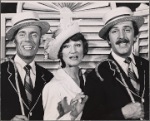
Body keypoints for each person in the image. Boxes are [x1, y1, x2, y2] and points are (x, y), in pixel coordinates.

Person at [81, 6, 149, 120]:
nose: (121, 36)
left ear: (135, 36)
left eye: (127, 30)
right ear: (108, 39)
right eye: (115, 31)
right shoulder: (96, 77)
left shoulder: (147, 66)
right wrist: (122, 114)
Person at [1, 11, 53, 120]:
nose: (28, 40)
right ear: (14, 40)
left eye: (34, 35)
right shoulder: (1, 72)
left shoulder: (48, 78)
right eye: (22, 34)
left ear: (40, 41)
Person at [42, 21, 88, 120]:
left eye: (78, 45)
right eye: (66, 46)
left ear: (84, 49)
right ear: (60, 53)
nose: (73, 50)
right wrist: (73, 115)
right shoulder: (54, 86)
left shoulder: (88, 78)